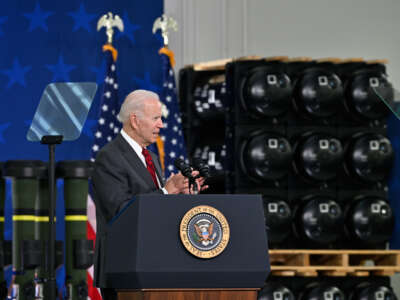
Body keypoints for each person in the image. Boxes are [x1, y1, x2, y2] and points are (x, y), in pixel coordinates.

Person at [91, 89, 206, 300]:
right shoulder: (109, 157)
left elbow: (158, 208)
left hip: (155, 264)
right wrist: (166, 190)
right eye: (156, 118)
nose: (161, 125)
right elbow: (120, 212)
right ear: (135, 121)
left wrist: (180, 193)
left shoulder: (150, 156)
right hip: (124, 268)